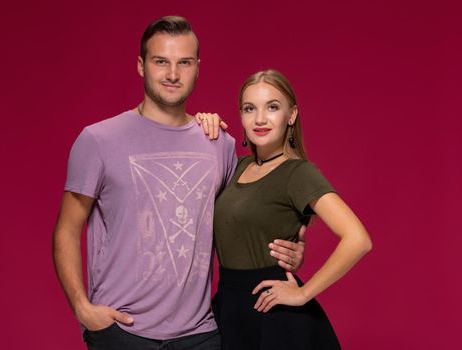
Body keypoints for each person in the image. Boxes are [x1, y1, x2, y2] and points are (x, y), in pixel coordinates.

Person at [52, 17, 305, 350]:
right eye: (161, 62)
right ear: (141, 65)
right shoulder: (98, 140)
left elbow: (245, 216)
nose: (173, 75)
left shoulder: (220, 143)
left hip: (200, 335)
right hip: (121, 332)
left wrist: (293, 246)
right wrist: (81, 307)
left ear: (198, 68)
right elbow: (66, 230)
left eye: (184, 63)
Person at [212, 69, 372, 350]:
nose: (260, 119)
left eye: (272, 107)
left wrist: (303, 294)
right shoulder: (235, 166)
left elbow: (358, 239)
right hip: (229, 308)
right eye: (250, 109)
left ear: (292, 115)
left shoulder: (297, 173)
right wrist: (203, 121)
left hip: (273, 316)